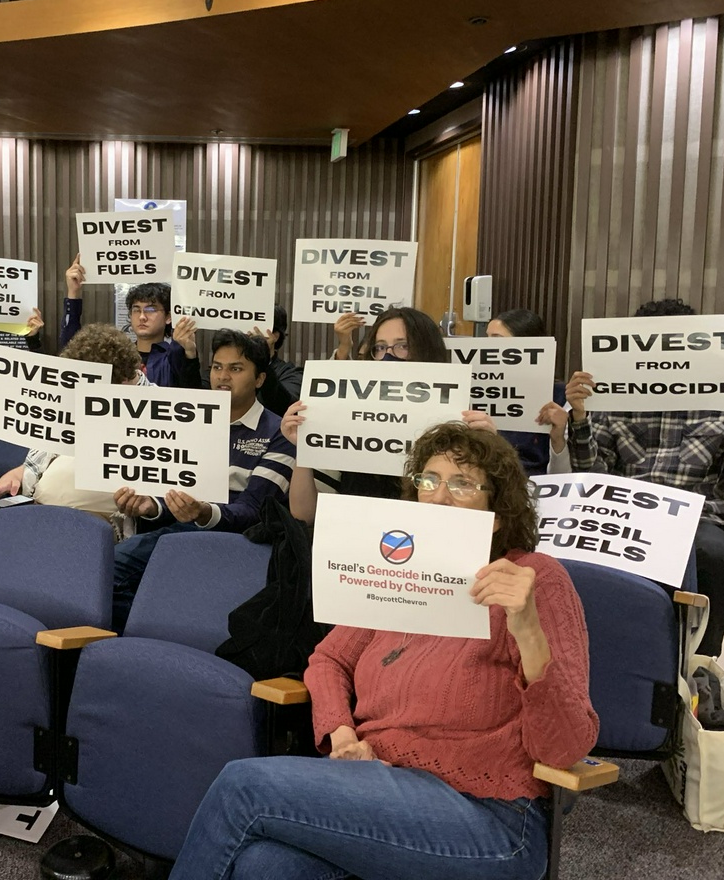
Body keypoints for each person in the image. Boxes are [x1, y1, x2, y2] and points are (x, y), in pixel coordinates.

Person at [167, 422, 598, 880]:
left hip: (490, 819)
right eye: (428, 481)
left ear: (497, 512)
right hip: (381, 784)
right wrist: (342, 734)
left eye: (463, 484)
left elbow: (565, 746)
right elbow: (329, 659)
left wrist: (527, 629)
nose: (439, 496)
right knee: (265, 866)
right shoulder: (403, 575)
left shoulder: (534, 578)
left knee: (244, 785)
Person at [566, 297, 724, 657]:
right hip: (626, 513)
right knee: (572, 555)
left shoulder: (722, 402)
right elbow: (591, 476)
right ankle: (596, 655)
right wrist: (581, 417)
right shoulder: (614, 399)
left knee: (714, 554)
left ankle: (703, 660)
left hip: (697, 517)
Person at [110, 329, 295, 631]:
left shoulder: (280, 433)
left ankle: (159, 636)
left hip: (242, 540)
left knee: (115, 569)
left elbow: (255, 509)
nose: (223, 376)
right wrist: (151, 506)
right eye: (217, 367)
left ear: (260, 379)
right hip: (185, 527)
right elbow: (174, 487)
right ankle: (153, 636)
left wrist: (204, 512)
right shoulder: (193, 419)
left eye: (236, 368)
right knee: (104, 569)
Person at [0, 323, 147, 594]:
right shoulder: (75, 395)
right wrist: (20, 470)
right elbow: (43, 452)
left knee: (34, 556)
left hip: (96, 522)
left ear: (121, 378)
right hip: (34, 505)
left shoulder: (156, 412)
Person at [284, 306, 496, 520]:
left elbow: (490, 510)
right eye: (380, 347)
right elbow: (304, 513)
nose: (388, 356)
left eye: (402, 346)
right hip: (352, 539)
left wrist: (489, 450)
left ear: (427, 348)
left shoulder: (457, 413)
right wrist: (305, 449)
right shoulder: (347, 415)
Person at [60, 255, 201, 388]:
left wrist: (189, 352)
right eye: (136, 310)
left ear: (168, 317)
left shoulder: (173, 358)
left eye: (151, 310)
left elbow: (192, 391)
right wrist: (73, 293)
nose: (142, 317)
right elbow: (73, 352)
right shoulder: (115, 354)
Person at [486, 307, 570, 476]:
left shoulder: (561, 397)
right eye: (485, 339)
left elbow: (563, 475)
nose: (487, 348)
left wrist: (558, 437)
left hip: (535, 486)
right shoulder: (473, 390)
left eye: (497, 340)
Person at [248, 305, 304, 417]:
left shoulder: (290, 372)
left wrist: (261, 355)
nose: (248, 333)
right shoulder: (221, 369)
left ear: (275, 336)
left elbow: (285, 406)